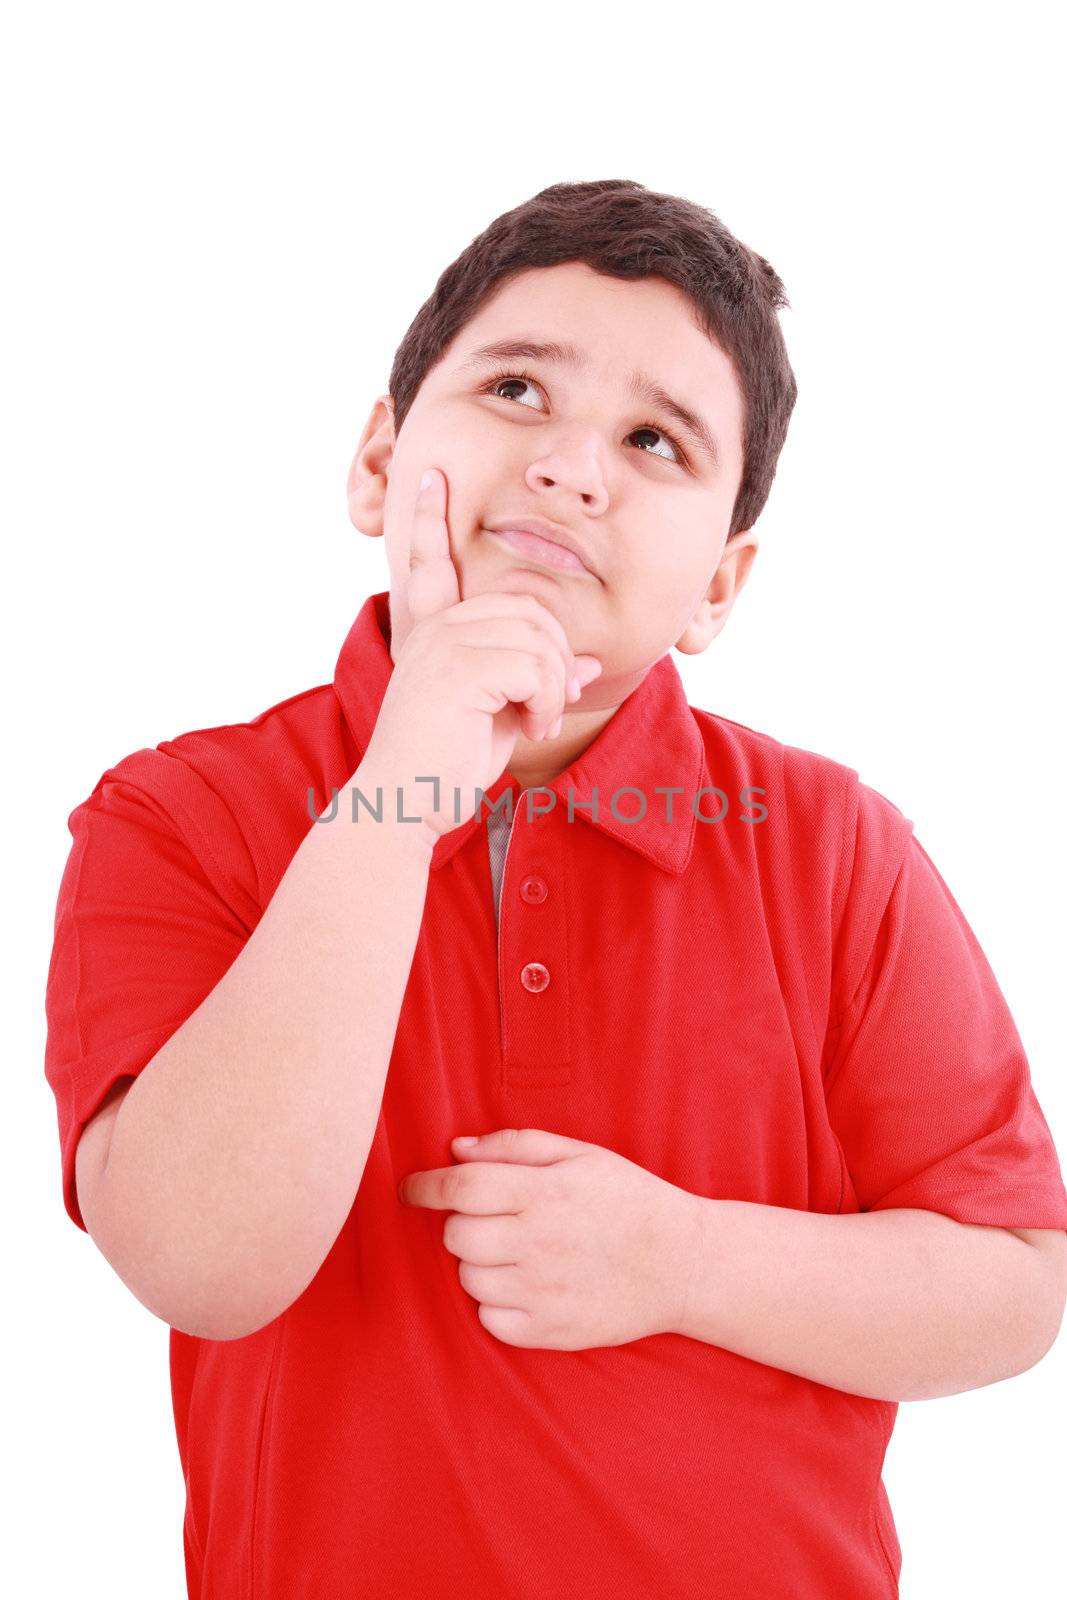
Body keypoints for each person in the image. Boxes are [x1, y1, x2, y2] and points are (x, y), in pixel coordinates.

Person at [44, 178, 1067, 1599]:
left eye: (656, 441)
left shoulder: (838, 848)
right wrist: (397, 796)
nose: (576, 468)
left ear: (720, 586)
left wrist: (683, 1259)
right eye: (518, 389)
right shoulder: (181, 814)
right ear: (378, 461)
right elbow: (200, 1262)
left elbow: (1014, 1288)